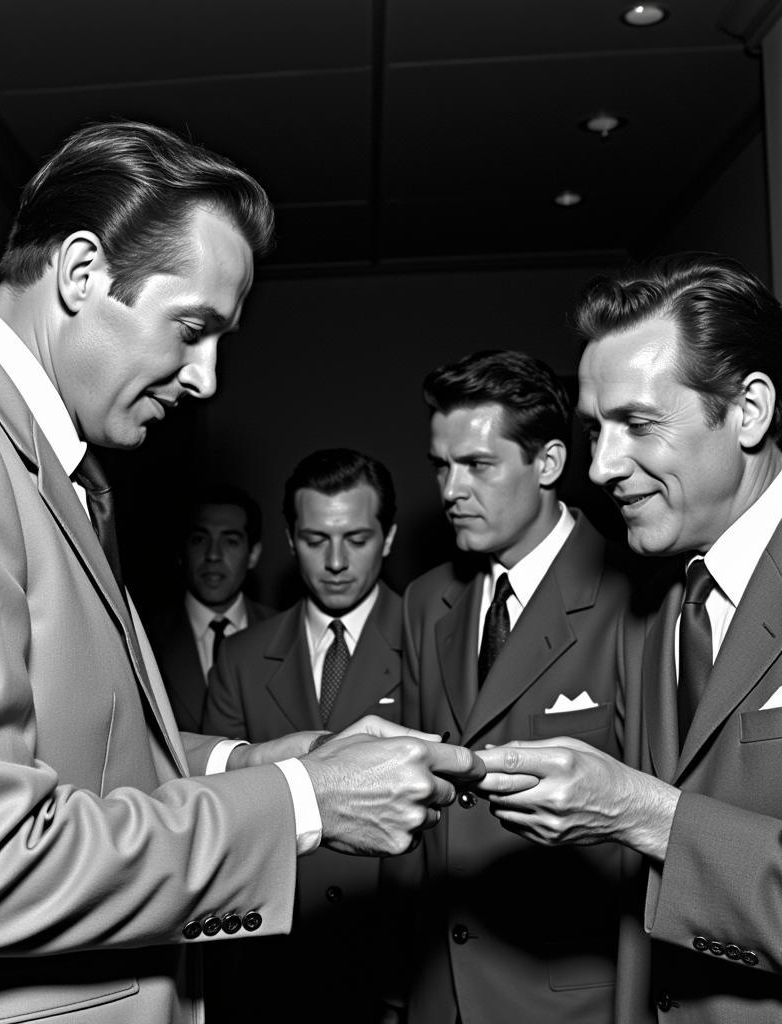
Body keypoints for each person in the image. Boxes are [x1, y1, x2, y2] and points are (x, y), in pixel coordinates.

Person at [0, 120, 483, 1024]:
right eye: (191, 328)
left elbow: (63, 747)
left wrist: (247, 760)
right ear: (81, 272)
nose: (208, 378)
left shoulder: (23, 456)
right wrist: (303, 803)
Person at [477, 253, 782, 1022]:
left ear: (748, 410)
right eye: (593, 430)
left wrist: (644, 813)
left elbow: (657, 820)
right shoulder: (662, 602)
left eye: (638, 425)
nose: (602, 466)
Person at [395, 350, 632, 1024]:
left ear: (549, 464)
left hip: (567, 1001)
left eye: (477, 466)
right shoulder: (426, 600)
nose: (449, 491)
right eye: (441, 466)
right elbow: (416, 810)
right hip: (438, 992)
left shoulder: (633, 595)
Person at [203, 447, 404, 1024]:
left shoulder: (433, 641)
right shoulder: (240, 659)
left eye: (358, 539)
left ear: (387, 538)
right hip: (267, 961)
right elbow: (217, 811)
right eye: (316, 539)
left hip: (392, 960)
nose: (336, 560)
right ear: (290, 540)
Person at [146, 483, 275, 732]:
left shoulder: (287, 634)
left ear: (253, 555)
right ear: (181, 551)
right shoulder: (144, 639)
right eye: (199, 539)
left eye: (231, 541)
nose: (213, 555)